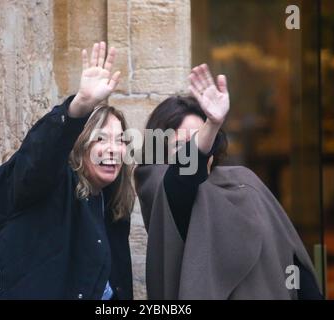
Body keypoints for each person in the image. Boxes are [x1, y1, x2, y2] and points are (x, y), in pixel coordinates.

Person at [0, 42, 135, 300]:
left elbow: (111, 284)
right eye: (101, 139)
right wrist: (79, 107)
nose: (113, 149)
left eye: (120, 140)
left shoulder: (111, 204)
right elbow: (38, 160)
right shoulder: (54, 180)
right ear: (79, 145)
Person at [134, 64, 323, 299]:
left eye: (203, 138)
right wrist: (211, 125)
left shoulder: (243, 181)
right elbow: (181, 181)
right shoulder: (158, 183)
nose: (197, 146)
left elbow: (291, 254)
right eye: (181, 145)